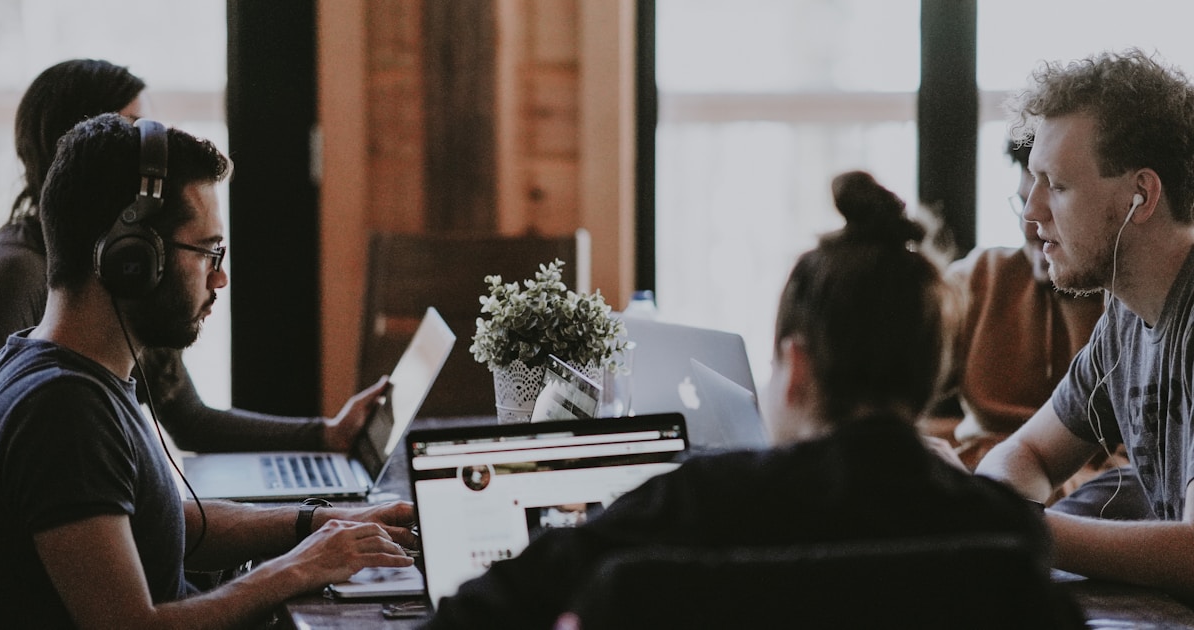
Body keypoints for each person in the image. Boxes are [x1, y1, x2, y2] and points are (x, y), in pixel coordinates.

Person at [424, 171, 1057, 628]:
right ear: (930, 372)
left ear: (798, 368)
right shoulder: (1003, 533)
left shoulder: (694, 503)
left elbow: (475, 614)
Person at [0, 113, 417, 628]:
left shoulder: (63, 372)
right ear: (131, 258)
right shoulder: (63, 411)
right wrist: (300, 568)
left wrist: (323, 522)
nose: (220, 276)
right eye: (207, 251)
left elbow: (173, 521)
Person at [0, 58, 380, 454]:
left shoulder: (141, 265)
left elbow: (191, 420)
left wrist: (326, 434)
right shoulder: (18, 273)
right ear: (80, 143)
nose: (152, 157)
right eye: (131, 130)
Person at [975, 48, 1194, 596]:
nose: (1031, 213)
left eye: (1059, 186)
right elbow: (1025, 452)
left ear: (1140, 196)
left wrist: (1020, 527)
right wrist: (1000, 510)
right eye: (1033, 183)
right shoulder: (1125, 315)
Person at [937, 138, 1151, 519]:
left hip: (1091, 500)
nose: (1030, 224)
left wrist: (1013, 515)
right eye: (1023, 203)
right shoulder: (978, 279)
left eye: (1056, 200)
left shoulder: (1132, 310)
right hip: (998, 483)